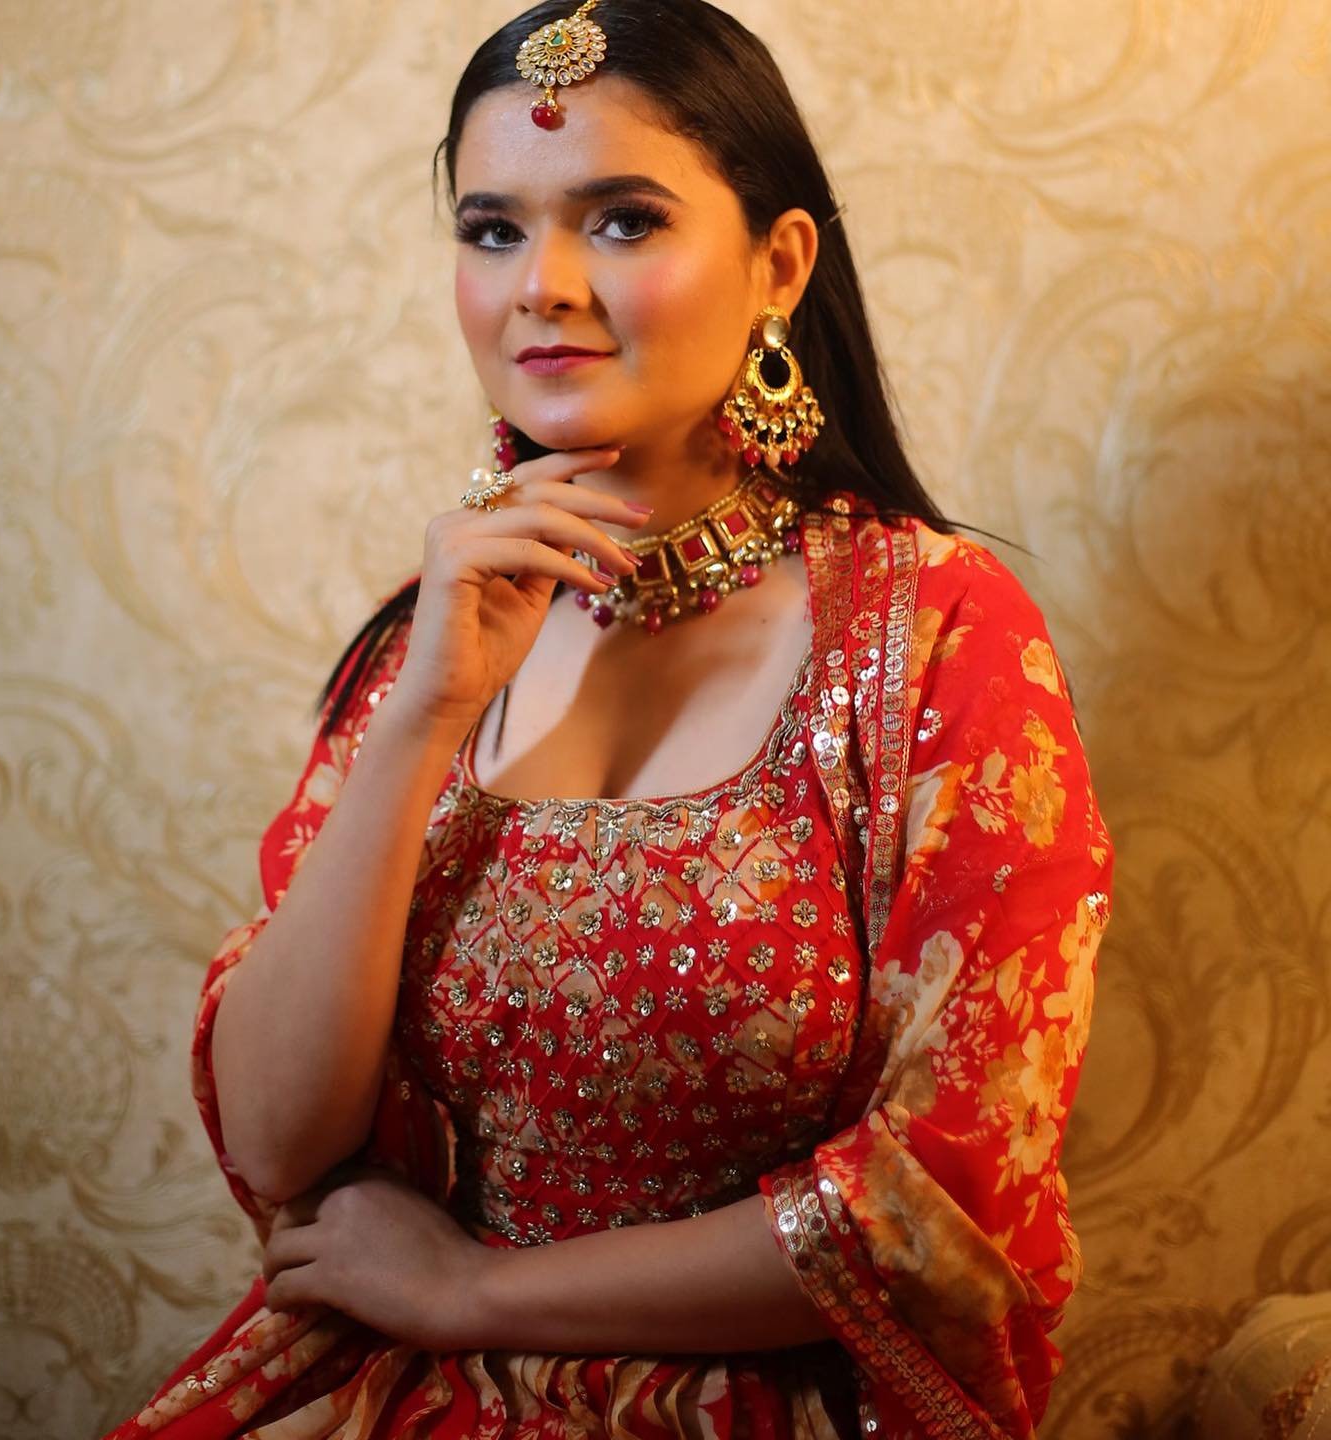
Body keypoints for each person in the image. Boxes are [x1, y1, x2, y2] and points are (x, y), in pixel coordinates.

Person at [102, 2, 1114, 1436]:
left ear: (779, 264)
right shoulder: (430, 636)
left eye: (624, 221)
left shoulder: (936, 635)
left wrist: (477, 1293)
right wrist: (427, 715)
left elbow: (940, 1202)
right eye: (492, 230)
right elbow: (279, 1144)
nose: (543, 287)